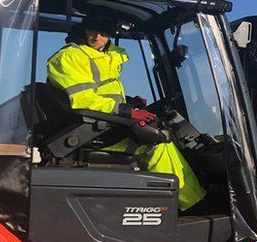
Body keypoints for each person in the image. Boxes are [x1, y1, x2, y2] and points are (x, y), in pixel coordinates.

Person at [46, 15, 206, 211]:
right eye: (92, 31)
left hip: (102, 123)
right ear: (84, 29)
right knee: (159, 143)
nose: (97, 37)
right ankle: (193, 204)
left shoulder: (102, 56)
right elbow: (83, 100)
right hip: (90, 131)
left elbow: (102, 95)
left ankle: (165, 203)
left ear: (111, 34)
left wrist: (130, 103)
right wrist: (127, 111)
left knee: (159, 130)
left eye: (103, 33)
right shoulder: (71, 56)